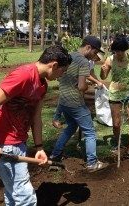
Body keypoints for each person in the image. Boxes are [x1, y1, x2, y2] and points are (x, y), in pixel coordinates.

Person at [0, 45, 72, 205]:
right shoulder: (23, 75)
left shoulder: (42, 85)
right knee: (25, 197)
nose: (61, 75)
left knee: (14, 194)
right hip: (3, 145)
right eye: (62, 71)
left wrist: (39, 147)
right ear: (54, 65)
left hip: (18, 142)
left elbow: (36, 117)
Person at [50, 35, 108, 172]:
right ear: (88, 47)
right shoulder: (83, 62)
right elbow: (81, 86)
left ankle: (55, 157)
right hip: (76, 103)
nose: (94, 56)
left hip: (64, 101)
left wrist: (57, 114)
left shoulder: (68, 57)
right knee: (90, 132)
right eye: (95, 52)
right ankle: (92, 163)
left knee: (71, 126)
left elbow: (65, 80)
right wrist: (88, 86)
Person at [100, 36, 129, 161]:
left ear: (125, 50)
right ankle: (117, 143)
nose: (119, 53)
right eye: (116, 51)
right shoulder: (110, 59)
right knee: (117, 124)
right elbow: (103, 76)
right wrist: (103, 70)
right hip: (115, 94)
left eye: (121, 51)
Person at [52, 52, 104, 129]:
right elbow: (87, 75)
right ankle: (56, 118)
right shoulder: (85, 61)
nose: (98, 60)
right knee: (65, 98)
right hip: (72, 81)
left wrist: (97, 81)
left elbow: (91, 73)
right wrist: (97, 82)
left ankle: (75, 117)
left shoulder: (91, 62)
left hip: (80, 81)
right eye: (98, 57)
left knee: (78, 98)